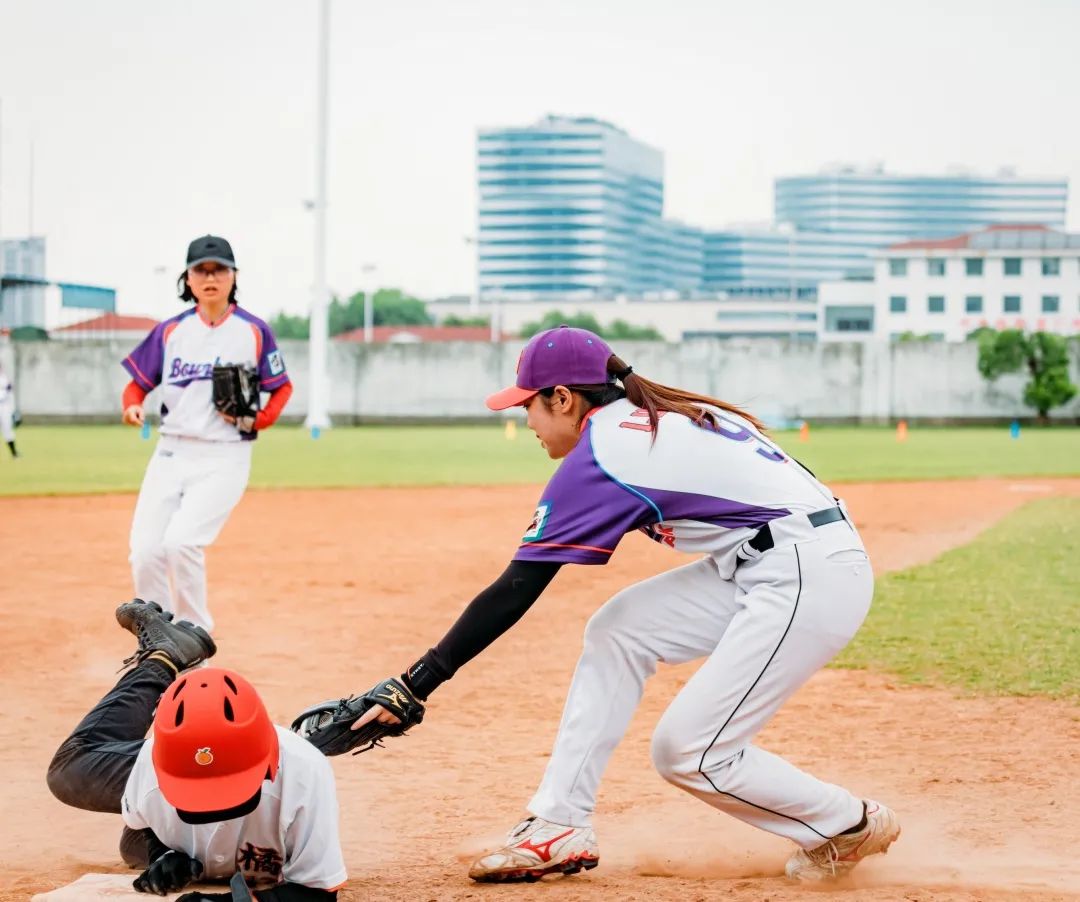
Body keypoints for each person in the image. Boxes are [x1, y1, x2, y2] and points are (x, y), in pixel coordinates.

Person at [340, 325, 900, 884]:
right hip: (782, 560)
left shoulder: (606, 451)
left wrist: (418, 682)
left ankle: (846, 825)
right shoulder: (660, 415)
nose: (524, 421)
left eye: (527, 405)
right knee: (620, 628)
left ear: (563, 398)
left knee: (688, 751)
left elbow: (519, 586)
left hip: (805, 575)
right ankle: (558, 823)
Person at [47, 599, 347, 900]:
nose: (215, 805)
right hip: (171, 799)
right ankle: (165, 657)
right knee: (124, 836)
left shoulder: (306, 775)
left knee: (80, 778)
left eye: (226, 785)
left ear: (270, 760)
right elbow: (143, 828)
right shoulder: (148, 773)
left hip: (285, 785)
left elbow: (320, 891)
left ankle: (162, 656)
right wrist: (162, 853)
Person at [121, 235, 292, 631]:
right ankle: (156, 639)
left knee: (181, 543)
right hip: (171, 452)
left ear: (233, 277)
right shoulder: (171, 331)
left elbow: (281, 386)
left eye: (219, 269)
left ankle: (193, 642)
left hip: (224, 454)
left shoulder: (253, 331)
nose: (210, 277)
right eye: (201, 270)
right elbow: (137, 384)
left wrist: (261, 419)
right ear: (188, 278)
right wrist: (132, 404)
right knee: (145, 552)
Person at [0, 358, 18, 458]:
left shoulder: (4, 378)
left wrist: (13, 410)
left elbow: (9, 393)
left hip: (4, 407)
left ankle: (14, 453)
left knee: (7, 429)